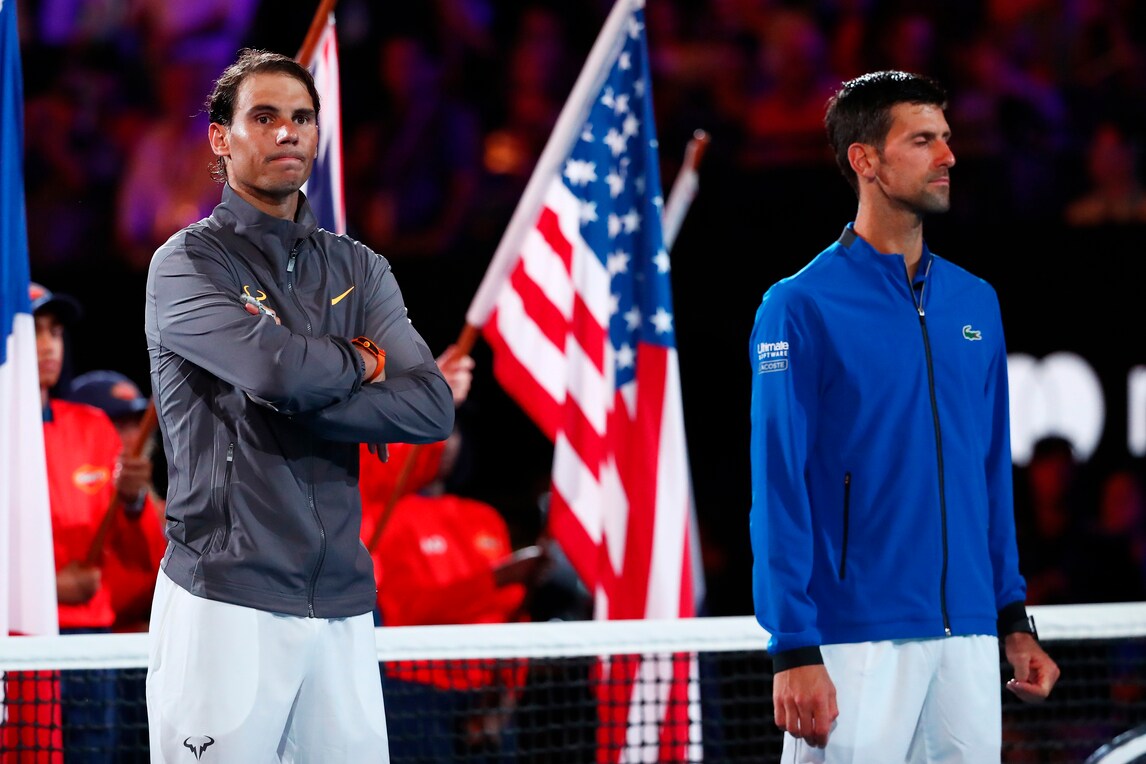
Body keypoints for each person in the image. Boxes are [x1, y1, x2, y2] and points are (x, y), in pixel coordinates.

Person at [143, 48, 454, 763]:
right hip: (224, 600)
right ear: (221, 138)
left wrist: (296, 394)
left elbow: (430, 407)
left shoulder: (359, 266)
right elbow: (275, 371)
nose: (288, 131)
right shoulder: (185, 264)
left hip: (342, 603)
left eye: (302, 117)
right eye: (264, 116)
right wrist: (362, 362)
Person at [747, 71, 1060, 761]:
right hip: (852, 638)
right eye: (922, 141)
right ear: (865, 160)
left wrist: (1012, 617)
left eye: (945, 137)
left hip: (969, 638)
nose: (948, 155)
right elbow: (778, 486)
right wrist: (793, 644)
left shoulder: (976, 303)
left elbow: (988, 475)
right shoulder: (798, 306)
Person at [31, 283, 161, 762]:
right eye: (35, 331)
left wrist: (133, 503)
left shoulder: (91, 426)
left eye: (55, 332)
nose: (49, 345)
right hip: (20, 640)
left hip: (91, 640)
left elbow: (143, 556)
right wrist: (47, 590)